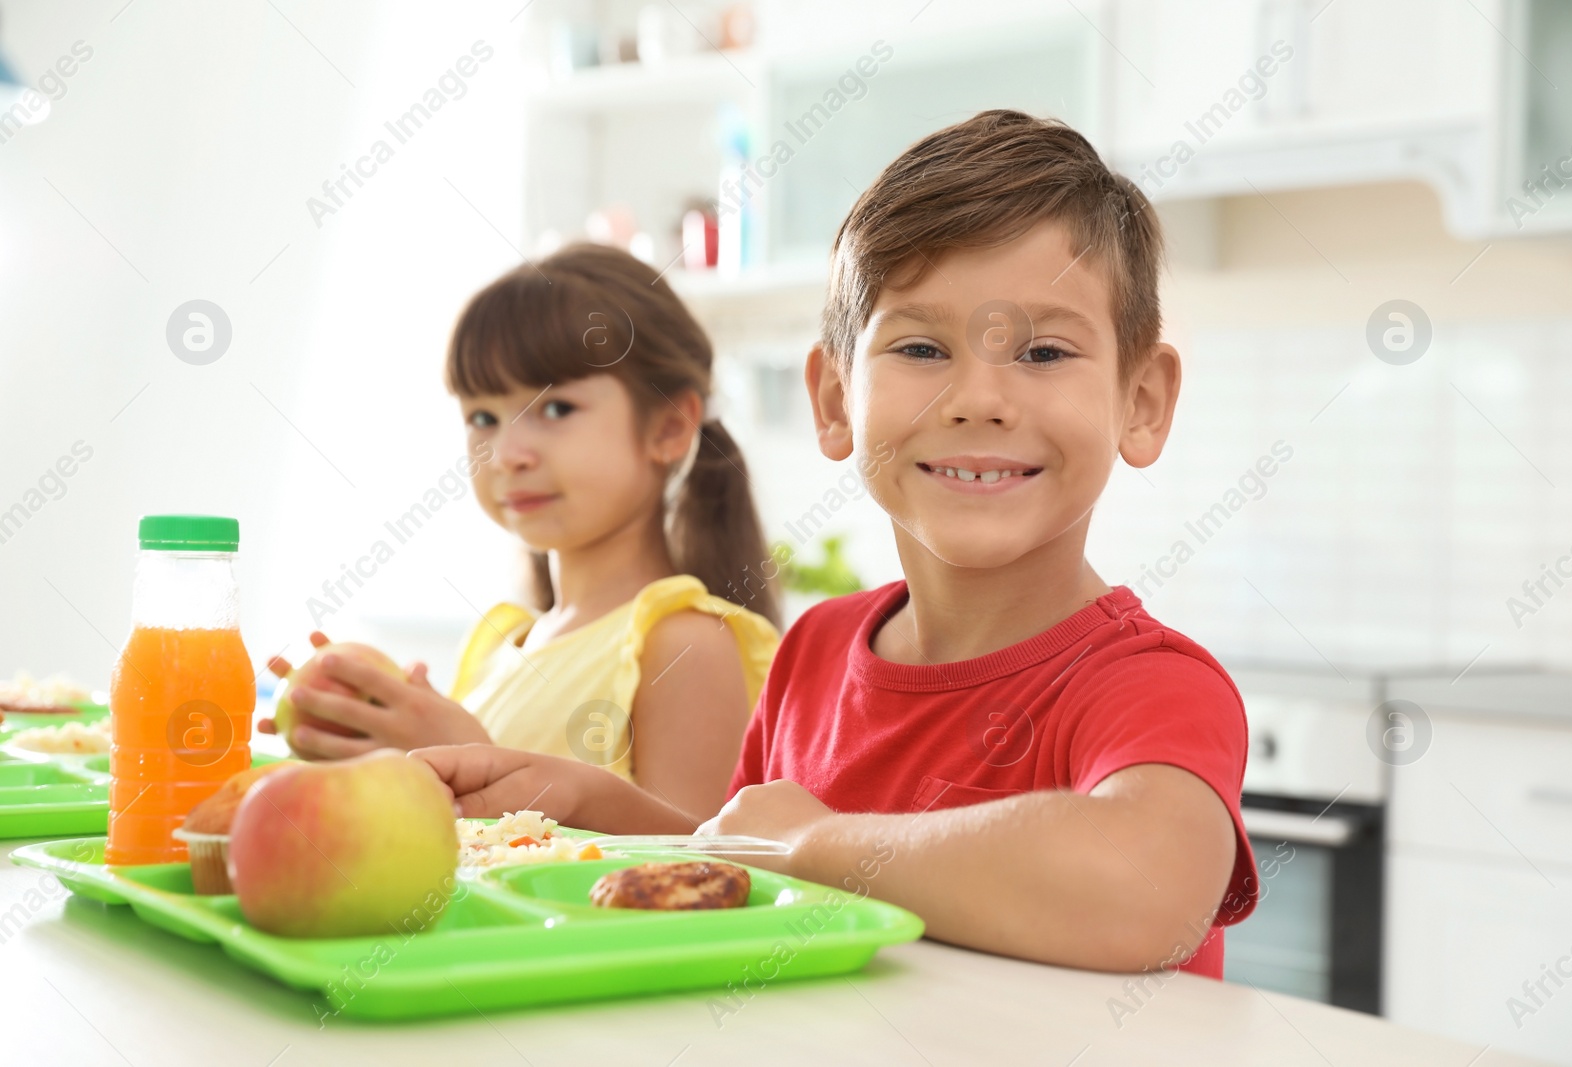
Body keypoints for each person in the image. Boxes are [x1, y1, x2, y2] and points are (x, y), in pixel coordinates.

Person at [414, 111, 1257, 976]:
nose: (978, 398)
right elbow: (748, 861)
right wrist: (589, 802)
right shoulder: (812, 654)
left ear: (1143, 401)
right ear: (833, 400)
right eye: (921, 347)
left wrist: (816, 840)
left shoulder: (1154, 686)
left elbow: (1140, 888)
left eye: (1043, 351)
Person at [263, 244, 782, 825]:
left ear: (668, 426)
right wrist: (373, 755)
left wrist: (472, 752)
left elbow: (705, 873)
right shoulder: (497, 644)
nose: (509, 454)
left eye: (556, 408)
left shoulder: (682, 642)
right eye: (483, 417)